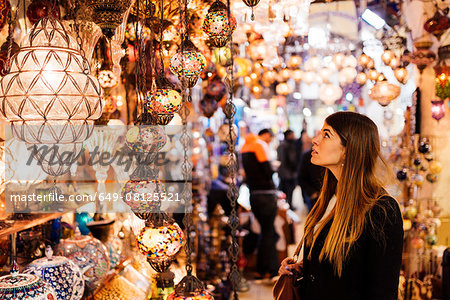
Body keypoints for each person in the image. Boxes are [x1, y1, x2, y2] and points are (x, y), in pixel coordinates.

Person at [278, 112, 403, 300]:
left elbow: (383, 290)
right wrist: (303, 267)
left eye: (326, 134)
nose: (315, 139)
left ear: (348, 149)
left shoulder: (381, 210)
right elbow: (342, 267)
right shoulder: (329, 197)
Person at [241, 130, 279, 280]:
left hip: (254, 195)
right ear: (265, 135)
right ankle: (269, 270)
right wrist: (274, 166)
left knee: (266, 231)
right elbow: (268, 171)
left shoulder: (245, 146)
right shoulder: (259, 145)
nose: (269, 141)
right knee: (269, 232)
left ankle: (262, 269)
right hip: (266, 195)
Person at [277, 129, 299, 209]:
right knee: (288, 191)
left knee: (287, 190)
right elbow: (288, 160)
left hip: (286, 173)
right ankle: (288, 206)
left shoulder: (285, 145)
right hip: (288, 173)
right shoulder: (286, 146)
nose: (294, 136)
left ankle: (288, 205)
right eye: (292, 134)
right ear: (288, 135)